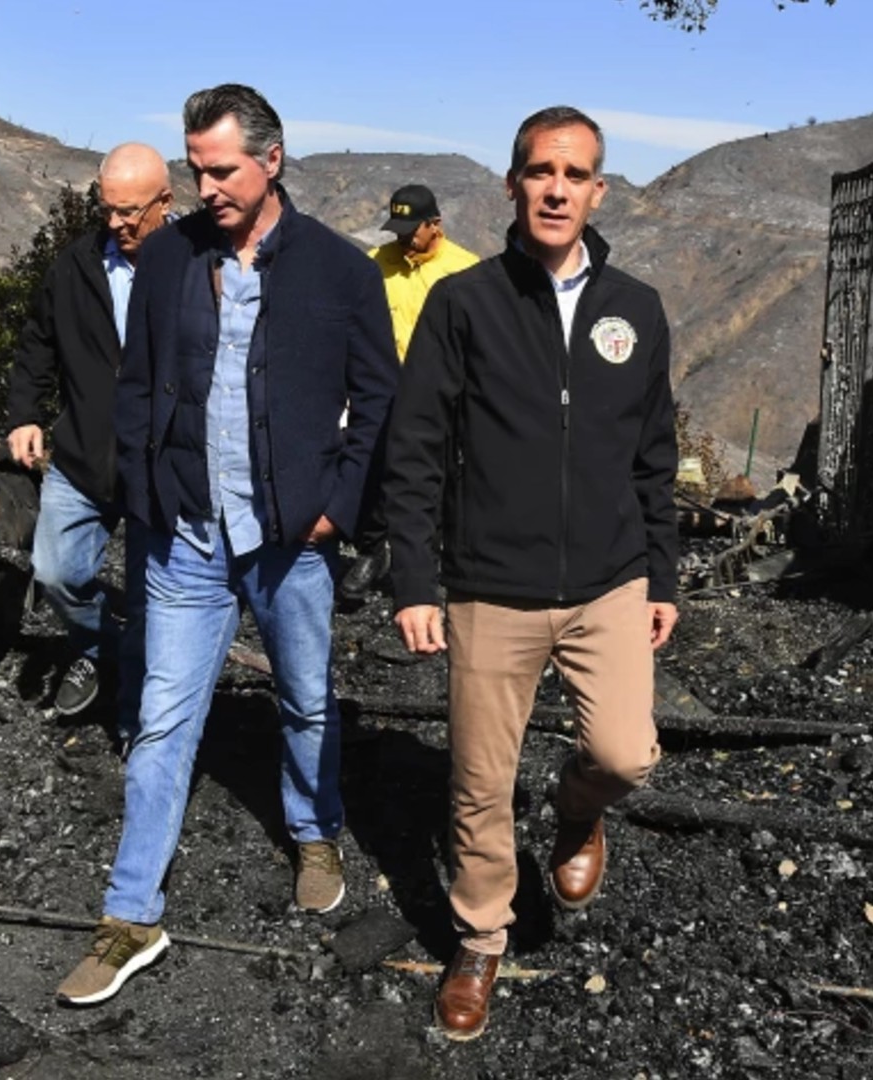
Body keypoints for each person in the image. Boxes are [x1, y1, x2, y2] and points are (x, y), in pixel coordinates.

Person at [56, 84, 398, 1006]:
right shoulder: (169, 257)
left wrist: (337, 507)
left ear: (272, 160)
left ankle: (315, 829)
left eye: (222, 169)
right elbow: (137, 386)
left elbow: (379, 401)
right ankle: (131, 914)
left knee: (305, 695)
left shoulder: (338, 271)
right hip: (185, 536)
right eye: (196, 169)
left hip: (291, 537)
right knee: (163, 719)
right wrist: (144, 490)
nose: (205, 186)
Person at [380, 106, 680, 1042]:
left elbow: (655, 456)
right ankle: (480, 937)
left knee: (628, 753)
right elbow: (416, 450)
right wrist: (415, 582)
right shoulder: (463, 303)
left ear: (598, 191)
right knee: (477, 781)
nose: (557, 188)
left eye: (576, 173)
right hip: (488, 586)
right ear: (512, 185)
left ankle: (576, 813)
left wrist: (662, 575)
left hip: (608, 579)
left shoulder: (636, 308)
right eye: (541, 171)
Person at [6, 143, 174, 722]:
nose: (116, 223)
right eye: (107, 209)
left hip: (161, 467)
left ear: (165, 203)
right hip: (83, 454)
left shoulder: (197, 265)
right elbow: (38, 343)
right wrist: (25, 413)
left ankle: (138, 717)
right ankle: (97, 648)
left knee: (155, 600)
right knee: (54, 570)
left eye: (130, 211)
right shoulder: (73, 265)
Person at [339, 183, 481, 601]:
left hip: (442, 394)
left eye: (410, 230)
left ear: (435, 225)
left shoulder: (465, 271)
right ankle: (371, 551)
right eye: (396, 230)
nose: (402, 239)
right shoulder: (375, 265)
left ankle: (426, 566)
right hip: (382, 390)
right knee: (370, 468)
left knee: (433, 479)